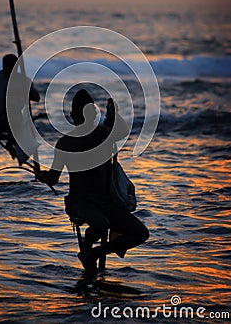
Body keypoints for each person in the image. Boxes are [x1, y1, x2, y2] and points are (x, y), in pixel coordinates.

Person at [39, 88, 149, 277]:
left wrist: (114, 113)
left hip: (107, 203)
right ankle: (90, 248)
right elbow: (54, 179)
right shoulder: (66, 143)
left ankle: (93, 253)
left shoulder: (103, 135)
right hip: (80, 203)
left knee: (140, 233)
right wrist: (43, 176)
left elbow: (122, 130)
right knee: (101, 224)